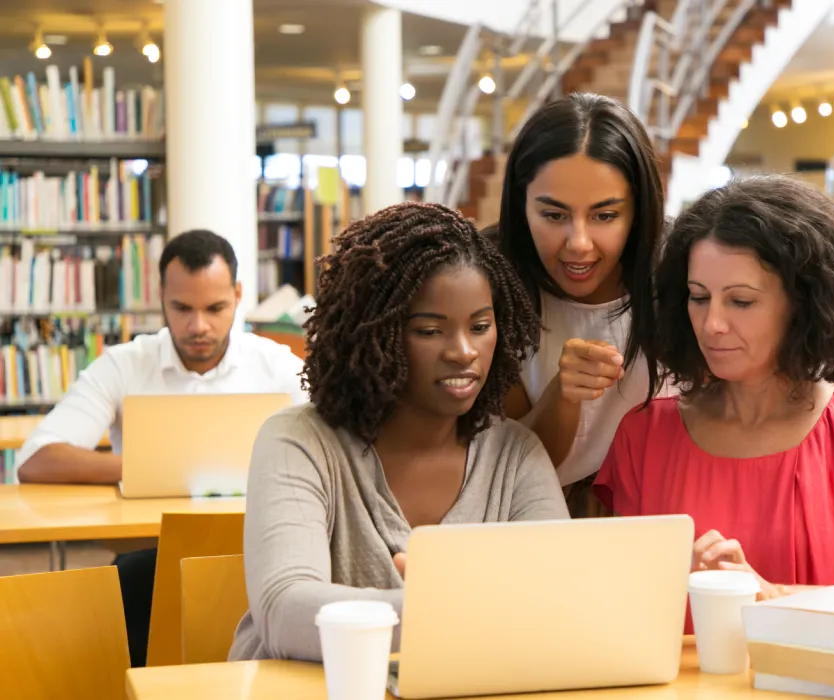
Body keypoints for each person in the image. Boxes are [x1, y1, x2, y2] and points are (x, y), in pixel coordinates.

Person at [229, 202, 569, 663]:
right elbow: (285, 612)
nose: (463, 351)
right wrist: (451, 611)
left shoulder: (516, 455)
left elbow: (558, 600)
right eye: (430, 330)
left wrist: (442, 611)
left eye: (480, 327)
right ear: (374, 333)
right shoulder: (298, 442)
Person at [593, 175, 834, 604]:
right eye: (698, 297)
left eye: (741, 301)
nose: (712, 324)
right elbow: (620, 602)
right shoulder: (644, 437)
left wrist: (772, 596)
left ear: (804, 304)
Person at [16, 228, 307, 667]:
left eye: (215, 308)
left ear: (238, 296)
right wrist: (152, 466)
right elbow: (37, 460)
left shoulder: (276, 365)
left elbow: (340, 441)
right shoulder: (125, 364)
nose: (198, 326)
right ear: (161, 298)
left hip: (258, 557)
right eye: (182, 308)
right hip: (149, 561)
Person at [491, 92, 668, 516]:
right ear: (521, 204)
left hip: (665, 518)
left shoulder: (681, 278)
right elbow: (504, 471)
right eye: (554, 215)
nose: (579, 244)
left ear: (638, 212)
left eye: (605, 216)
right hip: (533, 520)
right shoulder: (489, 283)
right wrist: (563, 394)